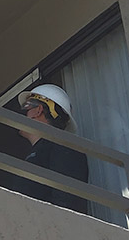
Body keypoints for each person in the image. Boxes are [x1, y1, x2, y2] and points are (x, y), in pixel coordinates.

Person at [12, 84, 90, 215]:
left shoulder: (65, 148)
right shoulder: (45, 152)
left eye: (26, 107)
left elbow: (66, 205)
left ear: (38, 110)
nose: (23, 113)